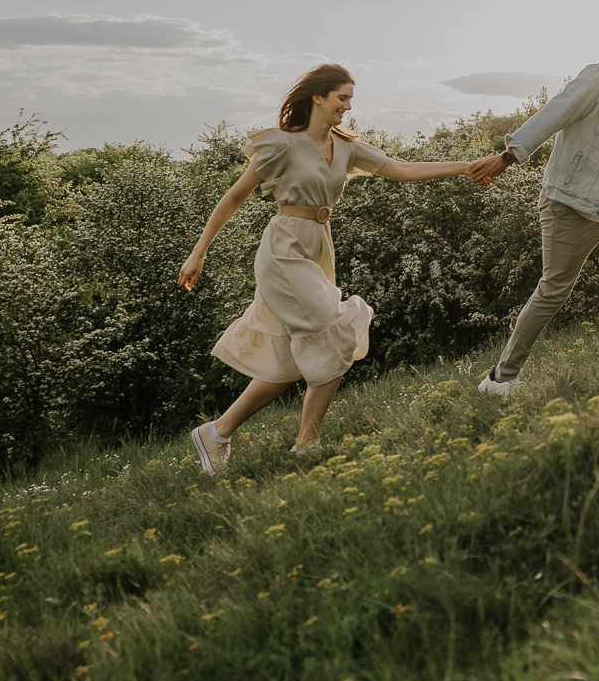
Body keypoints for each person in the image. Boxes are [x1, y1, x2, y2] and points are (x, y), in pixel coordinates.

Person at [177, 64, 480, 475]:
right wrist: (199, 253)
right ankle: (308, 442)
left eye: (350, 99)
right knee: (336, 327)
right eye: (342, 98)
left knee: (288, 362)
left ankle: (215, 433)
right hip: (284, 250)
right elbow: (234, 197)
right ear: (318, 97)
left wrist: (464, 166)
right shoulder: (283, 143)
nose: (348, 107)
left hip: (319, 246)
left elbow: (402, 170)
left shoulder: (345, 146)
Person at [465, 15, 599, 395]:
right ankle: (500, 380)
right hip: (572, 201)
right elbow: (553, 113)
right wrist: (508, 156)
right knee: (554, 290)